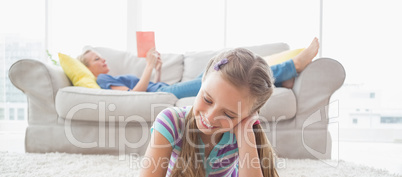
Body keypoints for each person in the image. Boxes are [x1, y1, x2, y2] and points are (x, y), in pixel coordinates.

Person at [136, 47, 289, 177]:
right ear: (202, 82)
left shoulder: (239, 131)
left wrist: (246, 134)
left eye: (229, 114)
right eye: (207, 99)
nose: (210, 118)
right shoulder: (170, 122)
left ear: (249, 115)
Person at [78, 38, 319, 99]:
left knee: (220, 69)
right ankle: (292, 67)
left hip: (168, 88)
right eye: (97, 60)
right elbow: (134, 96)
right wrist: (148, 67)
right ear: (88, 67)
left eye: (101, 57)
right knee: (228, 72)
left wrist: (157, 70)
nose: (103, 61)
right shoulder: (103, 82)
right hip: (163, 95)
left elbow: (151, 85)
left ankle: (280, 79)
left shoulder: (110, 75)